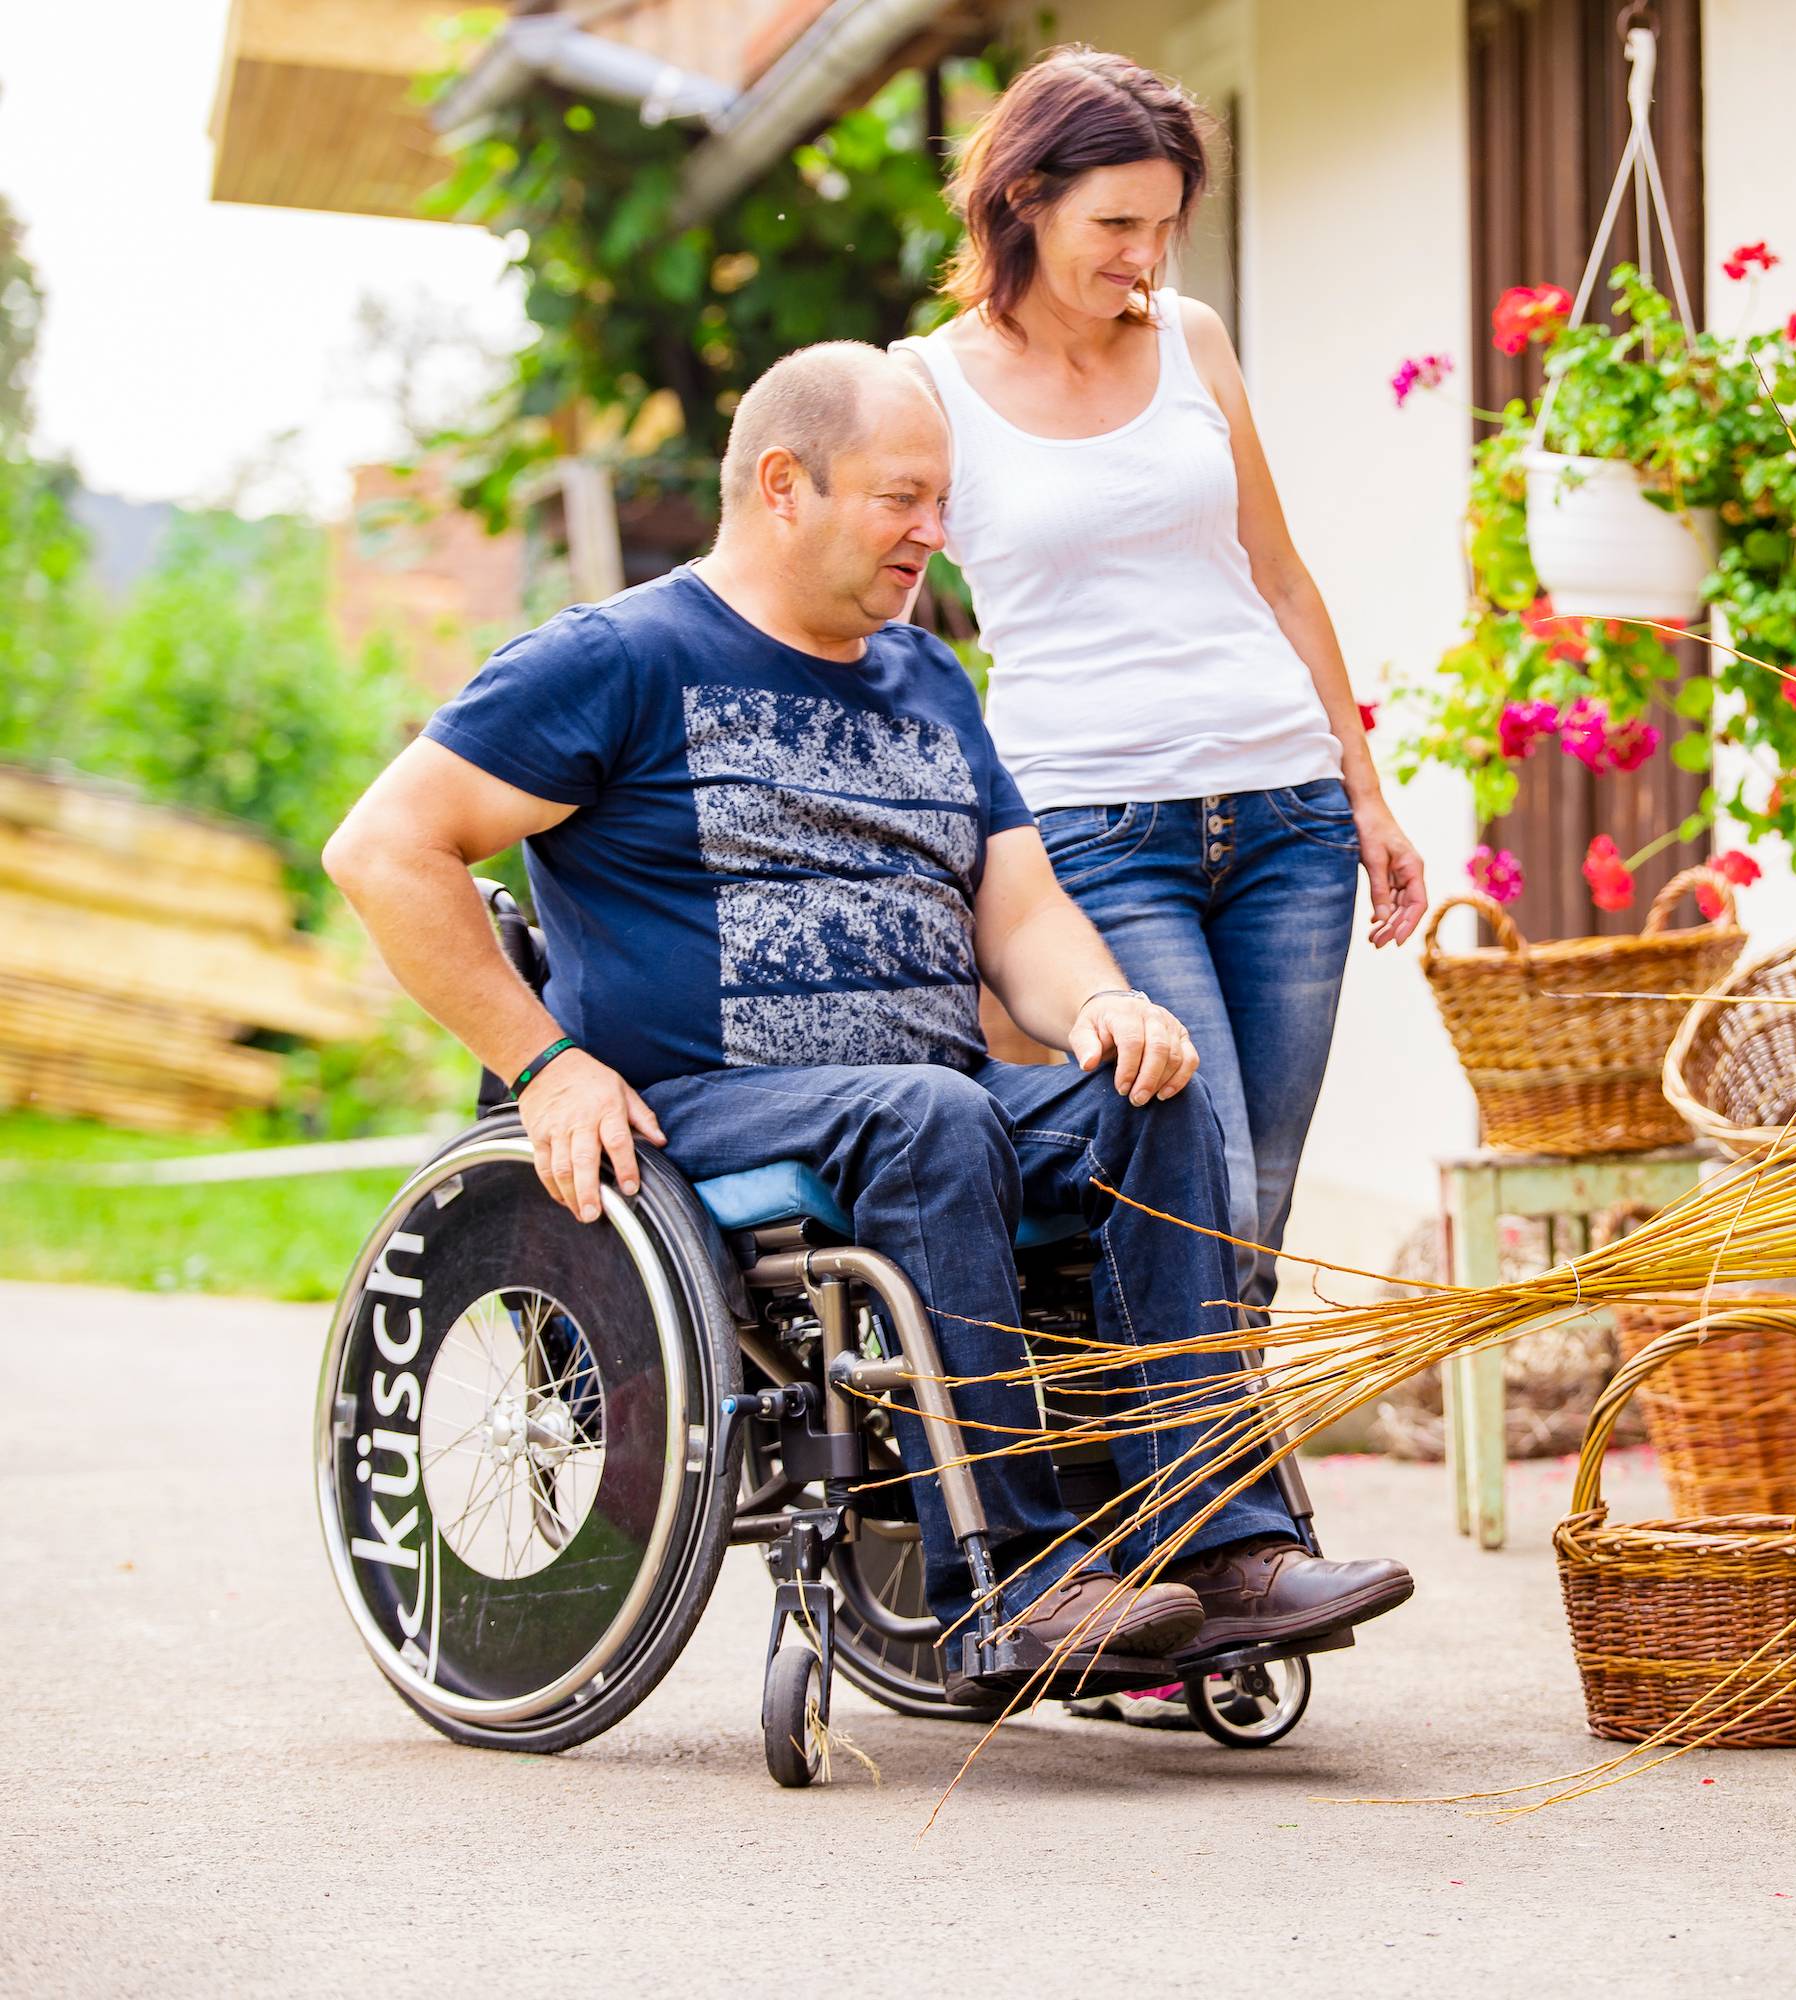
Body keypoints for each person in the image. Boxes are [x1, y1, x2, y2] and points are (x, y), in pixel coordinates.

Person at [322, 342, 1411, 1689]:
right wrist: (544, 1066)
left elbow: (1018, 917)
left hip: (923, 1102)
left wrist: (1106, 1007)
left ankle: (1218, 1547)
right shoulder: (618, 659)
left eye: (943, 500)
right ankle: (1011, 1585)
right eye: (905, 496)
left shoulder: (932, 682)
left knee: (1157, 1088)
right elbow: (384, 852)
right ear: (785, 484)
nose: (936, 534)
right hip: (708, 1107)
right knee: (933, 1116)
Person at [895, 47, 1426, 1321]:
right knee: (1201, 1186)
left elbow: (1281, 575)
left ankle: (1227, 1512)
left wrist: (1367, 791)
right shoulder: (923, 384)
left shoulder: (1191, 339)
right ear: (1023, 196)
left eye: (1166, 224)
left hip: (1288, 810)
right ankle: (1192, 1504)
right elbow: (883, 625)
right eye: (1115, 223)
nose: (1145, 255)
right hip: (1094, 825)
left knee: (1267, 1204)